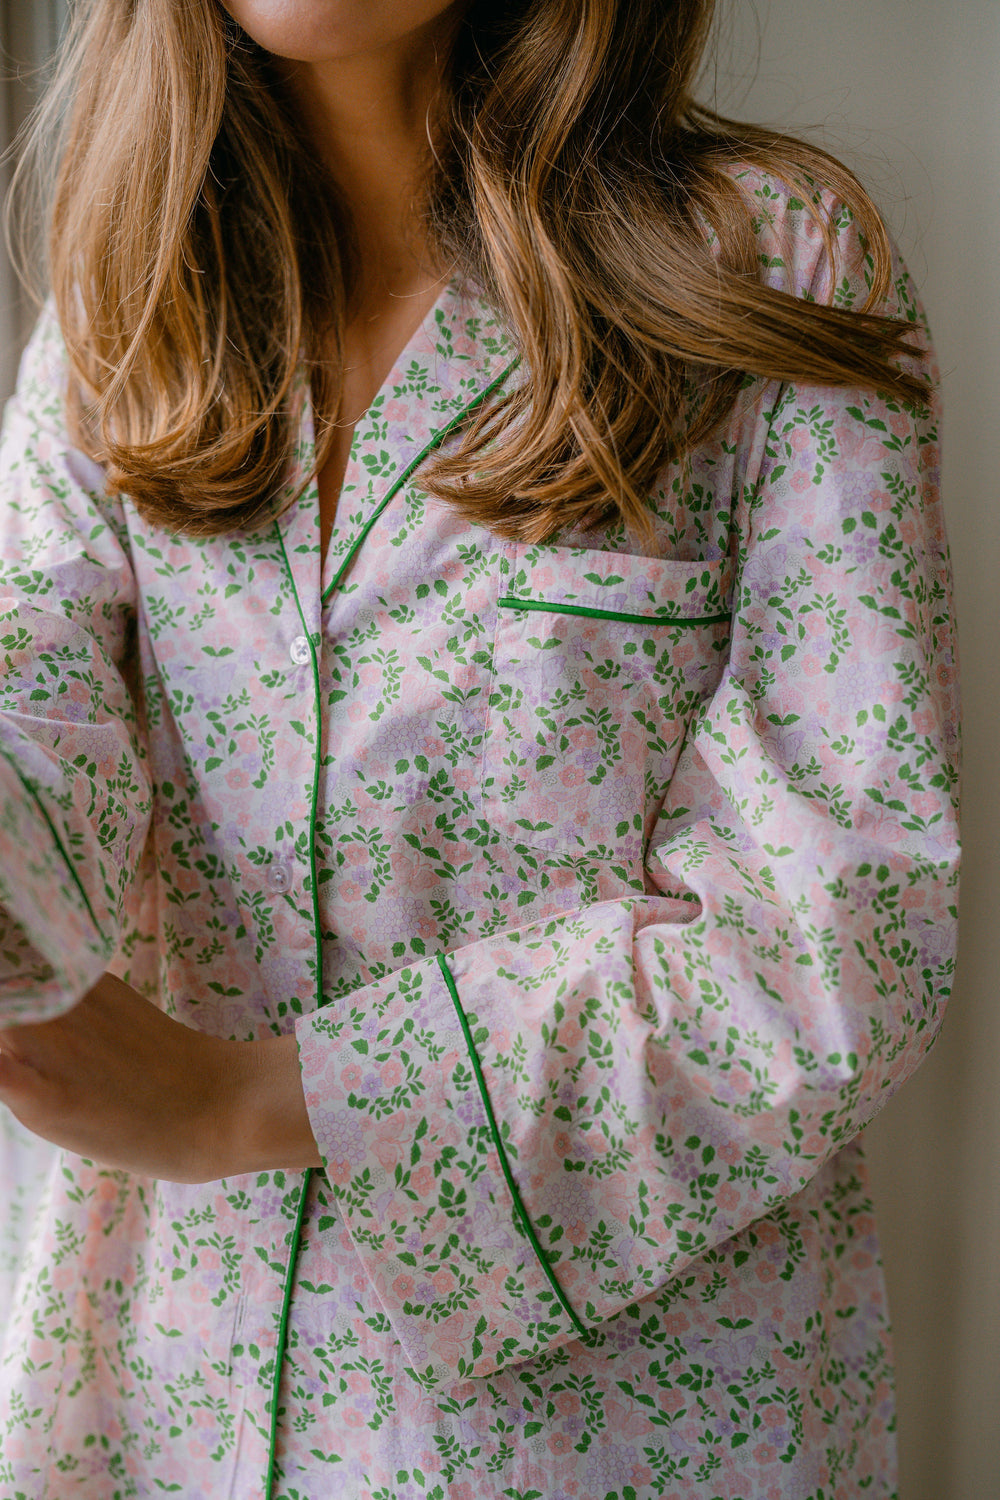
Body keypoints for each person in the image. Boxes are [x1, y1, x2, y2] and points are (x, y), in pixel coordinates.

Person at [0, 1, 959, 1496]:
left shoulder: (772, 256)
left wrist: (255, 1100)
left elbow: (844, 922)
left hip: (622, 1431)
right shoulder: (126, 307)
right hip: (167, 1393)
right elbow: (32, 716)